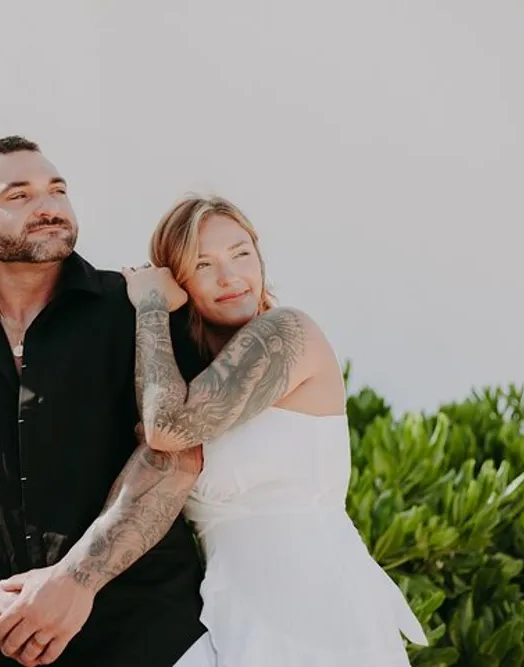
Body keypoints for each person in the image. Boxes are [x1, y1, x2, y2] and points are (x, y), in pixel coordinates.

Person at [0, 136, 216, 666]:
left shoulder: (137, 308)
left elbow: (175, 454)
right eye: (18, 196)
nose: (47, 207)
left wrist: (74, 583)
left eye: (56, 190)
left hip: (146, 638)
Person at [121, 195, 429, 666]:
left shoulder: (288, 333)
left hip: (318, 605)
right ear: (178, 280)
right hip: (231, 611)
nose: (230, 277)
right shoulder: (190, 376)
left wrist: (149, 304)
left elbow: (166, 427)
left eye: (241, 253)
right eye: (203, 264)